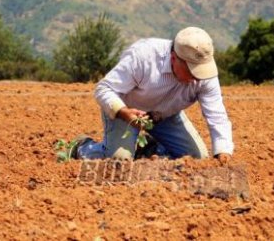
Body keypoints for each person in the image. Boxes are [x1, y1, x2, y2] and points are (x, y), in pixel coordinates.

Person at [64, 26, 234, 163]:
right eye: (191, 70)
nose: (196, 77)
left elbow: (217, 115)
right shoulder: (144, 57)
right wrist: (124, 112)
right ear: (174, 58)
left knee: (196, 159)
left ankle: (150, 148)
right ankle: (82, 147)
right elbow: (103, 89)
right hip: (127, 112)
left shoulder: (205, 75)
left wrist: (223, 152)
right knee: (119, 161)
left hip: (165, 116)